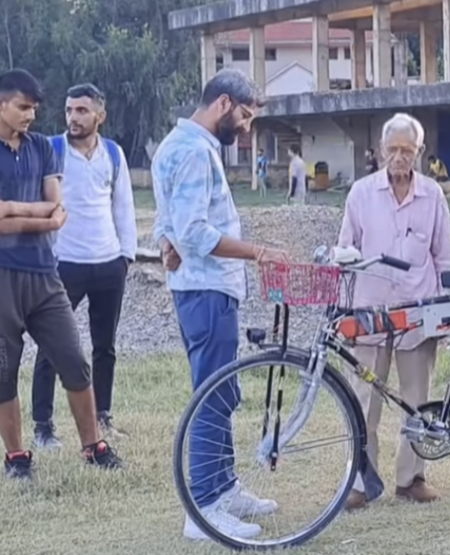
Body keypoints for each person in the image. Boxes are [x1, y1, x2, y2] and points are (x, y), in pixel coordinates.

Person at [0, 69, 123, 480]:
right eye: (23, 107)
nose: (31, 115)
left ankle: (93, 446)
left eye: (34, 108)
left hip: (45, 275)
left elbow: (56, 211)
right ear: (2, 105)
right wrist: (37, 213)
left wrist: (10, 207)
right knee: (2, 371)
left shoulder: (43, 149)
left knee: (73, 360)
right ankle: (17, 457)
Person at [151, 68, 287, 541]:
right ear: (224, 104)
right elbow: (194, 232)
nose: (247, 129)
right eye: (245, 117)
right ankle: (203, 511)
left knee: (222, 392)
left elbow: (166, 223)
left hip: (202, 288)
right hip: (207, 289)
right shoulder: (193, 152)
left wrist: (167, 243)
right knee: (211, 395)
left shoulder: (173, 145)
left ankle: (223, 486)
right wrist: (257, 252)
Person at [337, 112, 450, 511]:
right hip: (369, 313)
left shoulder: (433, 195)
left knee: (416, 401)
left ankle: (411, 479)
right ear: (381, 151)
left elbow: (443, 257)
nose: (400, 157)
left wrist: (445, 313)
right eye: (394, 149)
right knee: (363, 400)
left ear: (420, 152)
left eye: (408, 150)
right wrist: (344, 312)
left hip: (417, 314)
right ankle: (359, 481)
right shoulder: (361, 193)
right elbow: (345, 253)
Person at [30, 83, 136, 450]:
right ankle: (43, 426)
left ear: (99, 116)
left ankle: (102, 416)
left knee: (104, 347)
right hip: (64, 265)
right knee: (51, 346)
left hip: (108, 264)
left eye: (82, 111)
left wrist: (126, 257)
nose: (73, 117)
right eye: (69, 110)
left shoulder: (113, 154)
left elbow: (123, 207)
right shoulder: (52, 151)